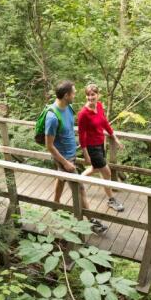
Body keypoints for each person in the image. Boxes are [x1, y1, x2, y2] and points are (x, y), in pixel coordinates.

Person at [45, 80, 108, 234]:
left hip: (71, 155)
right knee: (80, 189)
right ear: (66, 95)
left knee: (60, 179)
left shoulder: (68, 108)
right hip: (64, 158)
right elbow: (49, 146)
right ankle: (92, 222)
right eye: (73, 93)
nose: (75, 95)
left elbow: (71, 131)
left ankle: (55, 204)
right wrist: (65, 163)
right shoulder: (52, 117)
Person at [78, 83, 125, 212]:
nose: (90, 97)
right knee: (106, 172)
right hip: (92, 147)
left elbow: (104, 122)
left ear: (98, 95)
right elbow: (81, 135)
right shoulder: (83, 114)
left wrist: (114, 136)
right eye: (88, 95)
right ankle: (111, 200)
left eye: (92, 94)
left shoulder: (99, 106)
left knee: (95, 168)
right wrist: (85, 153)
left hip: (100, 143)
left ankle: (77, 180)